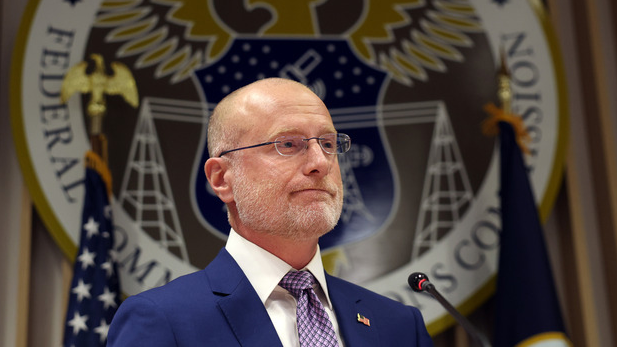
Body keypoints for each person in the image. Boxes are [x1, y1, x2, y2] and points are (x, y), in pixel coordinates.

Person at [108, 78, 434, 346]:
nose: (320, 163)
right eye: (288, 144)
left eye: (328, 144)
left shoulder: (400, 326)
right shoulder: (163, 320)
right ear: (222, 179)